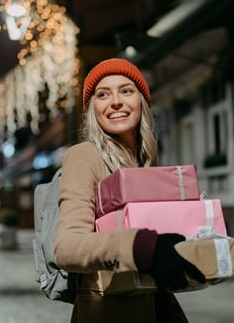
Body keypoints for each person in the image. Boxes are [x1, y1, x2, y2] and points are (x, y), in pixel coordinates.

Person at [54, 58, 206, 323]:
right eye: (103, 94)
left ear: (141, 103)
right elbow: (67, 247)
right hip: (109, 313)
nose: (115, 102)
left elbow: (159, 241)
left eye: (126, 90)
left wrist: (199, 220)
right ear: (93, 110)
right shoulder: (84, 156)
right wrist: (136, 246)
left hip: (158, 307)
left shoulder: (144, 160)